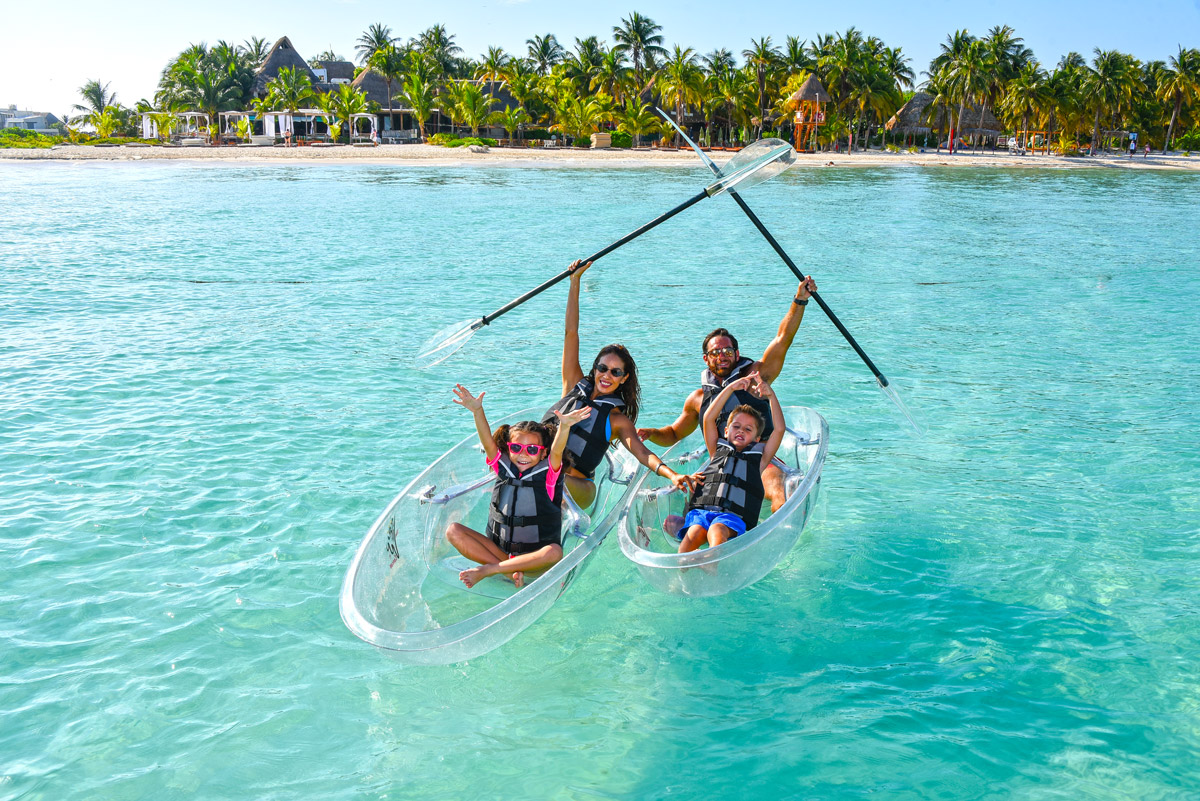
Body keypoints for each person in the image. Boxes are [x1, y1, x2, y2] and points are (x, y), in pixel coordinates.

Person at [637, 274, 817, 513]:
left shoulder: (755, 378)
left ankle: (765, 539)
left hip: (758, 461)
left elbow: (782, 340)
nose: (722, 355)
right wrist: (651, 433)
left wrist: (800, 300)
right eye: (715, 352)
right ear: (706, 358)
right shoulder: (698, 399)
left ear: (737, 353)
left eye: (727, 350)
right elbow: (672, 434)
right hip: (720, 465)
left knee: (780, 498)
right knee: (685, 517)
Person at [545, 260, 696, 508]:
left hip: (577, 486)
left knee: (544, 471)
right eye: (602, 368)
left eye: (616, 372)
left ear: (624, 378)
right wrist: (575, 281)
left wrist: (672, 474)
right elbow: (571, 333)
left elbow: (643, 453)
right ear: (595, 368)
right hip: (540, 469)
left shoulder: (616, 421)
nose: (607, 375)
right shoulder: (574, 383)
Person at [444, 384, 591, 589]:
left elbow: (557, 451)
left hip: (534, 560)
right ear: (508, 448)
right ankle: (507, 571)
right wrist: (478, 411)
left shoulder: (548, 475)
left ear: (543, 454)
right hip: (500, 552)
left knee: (554, 552)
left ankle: (489, 570)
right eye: (516, 448)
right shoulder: (502, 466)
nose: (523, 454)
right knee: (453, 531)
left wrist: (564, 426)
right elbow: (487, 442)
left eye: (532, 449)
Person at [677, 372, 785, 553]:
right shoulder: (716, 451)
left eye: (748, 429)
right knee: (693, 534)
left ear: (757, 438)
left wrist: (771, 396)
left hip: (732, 517)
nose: (741, 431)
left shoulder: (759, 460)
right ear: (726, 431)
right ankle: (681, 572)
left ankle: (711, 566)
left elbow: (779, 429)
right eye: (736, 426)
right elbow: (708, 418)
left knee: (717, 530)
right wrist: (730, 388)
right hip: (702, 512)